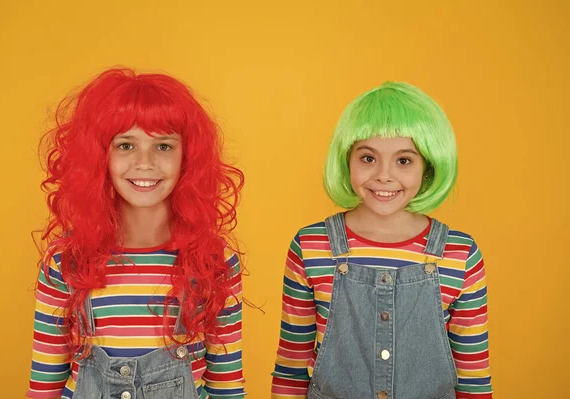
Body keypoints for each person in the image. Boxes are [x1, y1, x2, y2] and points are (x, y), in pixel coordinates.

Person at [27, 67, 246, 399]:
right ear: (100, 156)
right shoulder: (65, 261)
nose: (145, 163)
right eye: (126, 145)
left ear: (188, 157)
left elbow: (227, 382)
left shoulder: (214, 261)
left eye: (163, 146)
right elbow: (44, 382)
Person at [271, 82, 493, 398]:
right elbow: (291, 369)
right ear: (347, 160)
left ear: (428, 168)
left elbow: (473, 378)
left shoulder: (460, 254)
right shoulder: (311, 246)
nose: (384, 176)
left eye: (404, 160)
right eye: (368, 158)